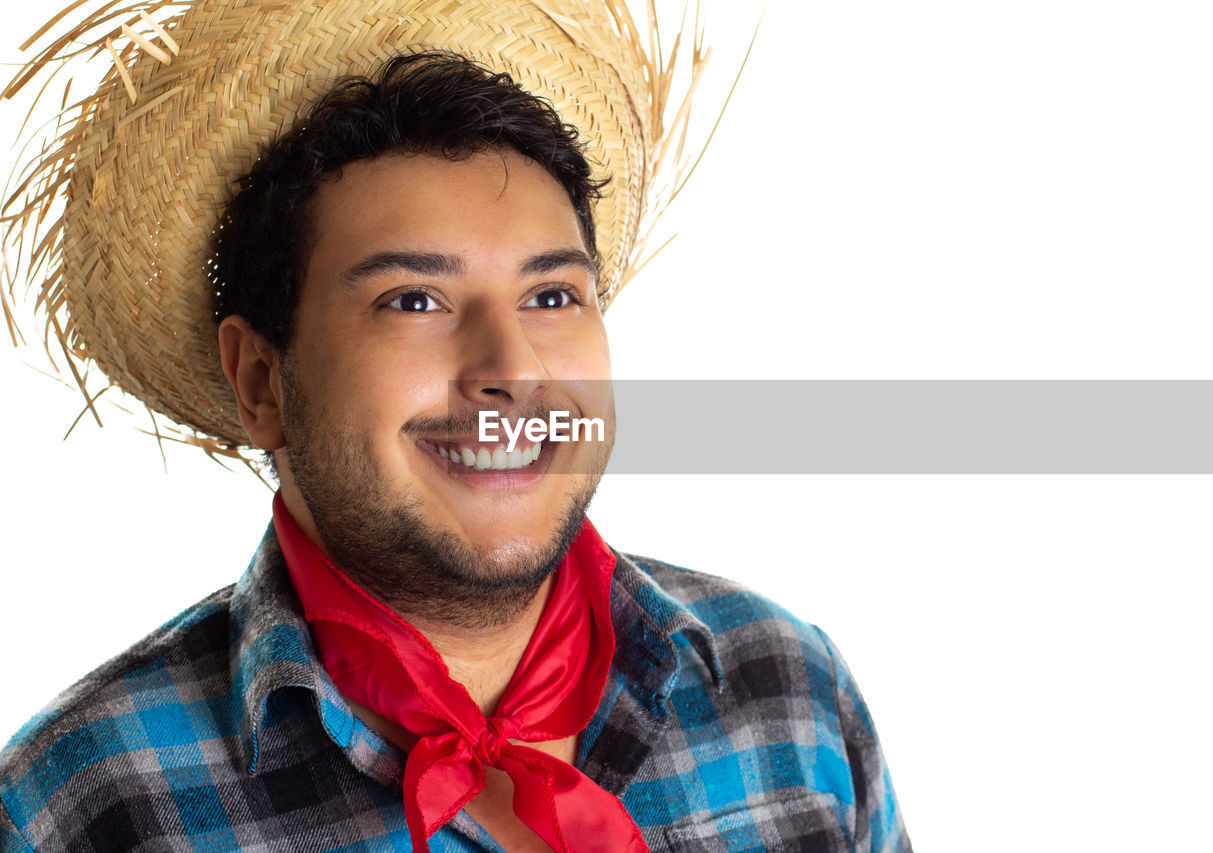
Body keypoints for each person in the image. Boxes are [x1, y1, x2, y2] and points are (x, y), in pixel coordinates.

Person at [0, 1, 909, 851]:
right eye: (416, 299)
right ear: (263, 380)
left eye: (552, 294)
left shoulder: (792, 693)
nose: (510, 369)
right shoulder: (77, 801)